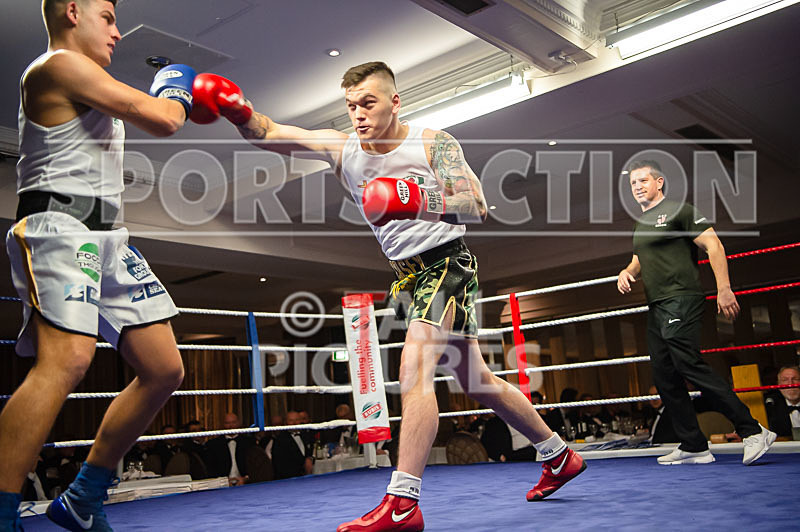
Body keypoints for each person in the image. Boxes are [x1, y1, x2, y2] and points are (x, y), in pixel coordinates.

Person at [190, 61, 585, 531]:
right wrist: (239, 113)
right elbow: (271, 133)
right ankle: (558, 456)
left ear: (396, 101)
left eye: (368, 103)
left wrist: (411, 198)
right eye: (351, 105)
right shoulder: (342, 148)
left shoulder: (432, 142)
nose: (358, 114)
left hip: (447, 263)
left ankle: (403, 502)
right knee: (477, 381)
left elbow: (474, 205)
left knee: (413, 368)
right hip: (406, 276)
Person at [0, 1, 194, 529]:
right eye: (106, 16)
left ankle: (84, 497)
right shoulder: (57, 65)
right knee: (65, 362)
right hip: (59, 229)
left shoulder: (86, 77)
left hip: (108, 236)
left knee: (164, 369)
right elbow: (163, 118)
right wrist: (175, 86)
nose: (117, 30)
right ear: (70, 12)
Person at [617, 160, 775, 465]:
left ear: (659, 182)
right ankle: (693, 444)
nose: (637, 187)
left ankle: (753, 430)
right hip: (657, 305)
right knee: (664, 376)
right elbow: (639, 259)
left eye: (642, 181)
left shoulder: (681, 210)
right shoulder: (640, 224)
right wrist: (627, 271)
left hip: (681, 298)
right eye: (632, 183)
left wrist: (724, 288)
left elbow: (713, 246)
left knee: (688, 364)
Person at [205, 413, 257, 486]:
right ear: (223, 424)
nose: (231, 426)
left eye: (233, 422)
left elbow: (255, 466)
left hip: (247, 484)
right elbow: (211, 468)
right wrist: (223, 481)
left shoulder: (249, 443)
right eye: (227, 423)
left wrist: (245, 479)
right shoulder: (213, 445)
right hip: (222, 486)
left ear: (239, 423)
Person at [765, 366, 800, 438]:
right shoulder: (770, 407)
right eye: (785, 380)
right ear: (778, 384)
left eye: (795, 379)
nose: (790, 384)